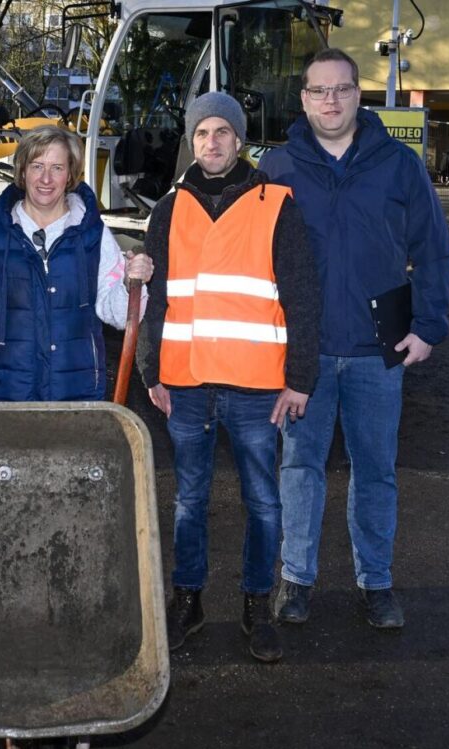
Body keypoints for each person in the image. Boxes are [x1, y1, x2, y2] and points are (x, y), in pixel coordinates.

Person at [258, 48, 449, 630]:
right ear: (303, 99)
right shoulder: (277, 168)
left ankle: (377, 583)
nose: (331, 101)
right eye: (319, 91)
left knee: (376, 470)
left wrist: (429, 326)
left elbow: (434, 248)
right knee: (300, 468)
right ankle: (296, 579)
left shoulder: (398, 164)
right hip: (306, 354)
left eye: (342, 89)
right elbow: (249, 261)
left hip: (380, 350)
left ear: (359, 94)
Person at [137, 92, 320, 663]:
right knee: (189, 499)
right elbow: (154, 297)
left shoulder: (275, 203)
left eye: (221, 132)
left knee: (263, 500)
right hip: (186, 381)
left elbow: (302, 296)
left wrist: (301, 378)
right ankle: (187, 599)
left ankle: (255, 603)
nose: (211, 142)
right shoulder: (169, 208)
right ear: (191, 141)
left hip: (253, 384)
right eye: (200, 133)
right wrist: (150, 369)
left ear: (239, 140)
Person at [0, 125, 152, 400]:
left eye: (57, 168)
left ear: (70, 175)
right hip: (5, 393)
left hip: (77, 392)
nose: (46, 179)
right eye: (37, 166)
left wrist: (128, 284)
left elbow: (118, 315)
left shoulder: (92, 235)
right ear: (22, 171)